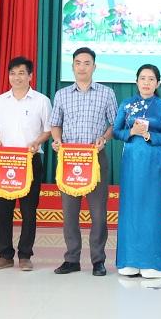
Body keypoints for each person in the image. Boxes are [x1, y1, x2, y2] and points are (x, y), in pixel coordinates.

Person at [50, 47, 116, 276]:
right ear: (72, 66)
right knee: (70, 213)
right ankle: (71, 259)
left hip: (95, 159)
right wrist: (57, 140)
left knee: (98, 213)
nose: (82, 67)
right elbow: (55, 123)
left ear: (94, 67)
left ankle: (98, 260)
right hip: (69, 159)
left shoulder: (107, 93)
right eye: (78, 63)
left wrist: (104, 138)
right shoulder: (62, 94)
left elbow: (114, 124)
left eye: (87, 63)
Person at [0, 56, 51, 271]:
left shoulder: (41, 101)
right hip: (5, 162)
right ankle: (4, 255)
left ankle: (25, 255)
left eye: (21, 73)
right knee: (3, 210)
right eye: (13, 73)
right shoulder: (0, 101)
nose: (17, 77)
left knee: (29, 210)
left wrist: (37, 142)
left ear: (30, 76)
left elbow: (48, 129)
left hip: (30, 160)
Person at [114, 64, 161, 279]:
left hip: (153, 162)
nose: (146, 82)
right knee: (131, 207)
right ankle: (129, 260)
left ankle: (153, 263)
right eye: (143, 78)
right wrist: (131, 131)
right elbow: (116, 131)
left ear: (158, 83)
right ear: (136, 81)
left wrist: (150, 136)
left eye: (151, 79)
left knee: (152, 208)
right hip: (131, 162)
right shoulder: (126, 104)